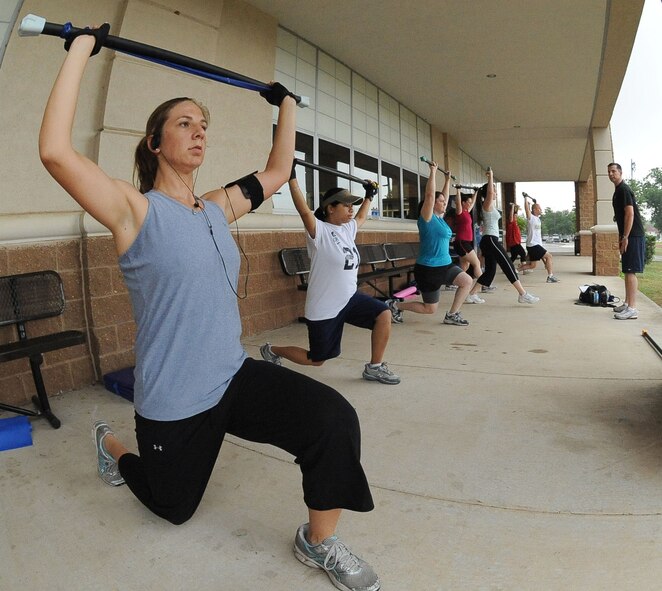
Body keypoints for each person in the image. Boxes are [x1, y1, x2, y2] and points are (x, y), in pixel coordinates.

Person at [39, 26, 380, 591]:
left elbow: (275, 173)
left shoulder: (218, 207)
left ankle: (318, 541)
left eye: (203, 125)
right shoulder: (133, 211)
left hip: (232, 374)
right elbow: (54, 151)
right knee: (174, 509)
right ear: (154, 143)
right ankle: (115, 446)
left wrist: (286, 107)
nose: (199, 132)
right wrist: (81, 48)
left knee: (333, 419)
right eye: (184, 123)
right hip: (174, 396)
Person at [260, 166, 400, 385]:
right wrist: (292, 179)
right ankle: (272, 350)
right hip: (325, 307)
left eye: (351, 205)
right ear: (330, 208)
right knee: (317, 359)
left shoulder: (347, 229)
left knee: (383, 314)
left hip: (349, 299)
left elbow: (362, 215)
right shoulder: (319, 231)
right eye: (345, 205)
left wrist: (369, 196)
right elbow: (304, 211)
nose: (350, 209)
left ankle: (374, 367)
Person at [385, 161, 473, 325]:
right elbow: (431, 196)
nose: (444, 203)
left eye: (443, 201)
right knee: (429, 309)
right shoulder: (426, 219)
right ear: (431, 205)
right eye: (440, 202)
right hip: (428, 269)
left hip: (445, 265)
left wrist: (447, 180)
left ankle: (452, 315)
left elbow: (443, 198)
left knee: (467, 281)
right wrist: (432, 172)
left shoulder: (440, 219)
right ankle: (395, 305)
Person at [475, 168, 539, 304]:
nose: (495, 193)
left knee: (490, 271)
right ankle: (522, 294)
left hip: (489, 240)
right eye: (493, 190)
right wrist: (491, 176)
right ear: (488, 193)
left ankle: (471, 294)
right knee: (507, 264)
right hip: (490, 240)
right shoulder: (487, 204)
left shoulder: (489, 205)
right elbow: (490, 192)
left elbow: (491, 192)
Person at [608, 162, 646, 320]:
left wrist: (625, 237)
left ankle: (632, 308)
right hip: (628, 235)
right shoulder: (618, 191)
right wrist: (621, 237)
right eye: (609, 172)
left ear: (620, 172)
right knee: (627, 270)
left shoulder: (624, 189)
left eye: (614, 171)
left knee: (630, 271)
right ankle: (627, 303)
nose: (611, 174)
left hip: (634, 236)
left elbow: (629, 214)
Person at [451, 185, 485, 304]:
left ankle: (461, 290)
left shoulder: (467, 212)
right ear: (463, 203)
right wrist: (458, 190)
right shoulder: (460, 212)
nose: (470, 204)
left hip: (465, 243)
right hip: (462, 242)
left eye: (470, 202)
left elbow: (473, 202)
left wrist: (475, 193)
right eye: (468, 202)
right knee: (476, 263)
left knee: (464, 268)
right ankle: (480, 287)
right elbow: (457, 200)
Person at [517, 195, 559, 282]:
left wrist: (534, 203)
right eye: (539, 209)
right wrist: (525, 199)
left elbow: (532, 207)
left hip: (536, 245)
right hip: (533, 245)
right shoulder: (531, 218)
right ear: (535, 210)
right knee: (549, 256)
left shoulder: (538, 219)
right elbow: (527, 210)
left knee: (532, 265)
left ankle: (514, 271)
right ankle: (550, 277)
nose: (541, 210)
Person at [505, 202, 527, 267]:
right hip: (514, 243)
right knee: (523, 253)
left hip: (515, 242)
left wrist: (516, 208)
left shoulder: (515, 223)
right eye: (515, 216)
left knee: (513, 257)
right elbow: (511, 216)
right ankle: (524, 268)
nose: (516, 217)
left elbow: (515, 213)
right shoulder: (511, 223)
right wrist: (512, 206)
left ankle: (506, 267)